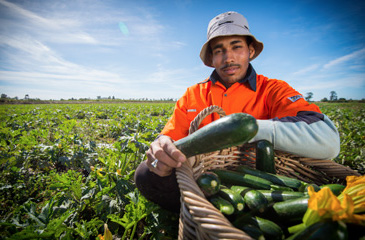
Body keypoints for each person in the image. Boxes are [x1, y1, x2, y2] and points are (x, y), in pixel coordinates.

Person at [134, 11, 340, 213]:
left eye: (236, 47)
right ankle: (200, 216)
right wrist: (158, 152)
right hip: (206, 185)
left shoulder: (273, 89)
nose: (228, 58)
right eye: (219, 50)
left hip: (265, 184)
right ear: (212, 59)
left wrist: (248, 129)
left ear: (250, 51)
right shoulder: (193, 94)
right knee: (145, 173)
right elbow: (167, 142)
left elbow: (328, 140)